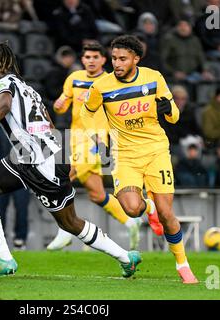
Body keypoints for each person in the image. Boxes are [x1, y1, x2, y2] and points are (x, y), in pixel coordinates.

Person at [0, 42, 141, 279]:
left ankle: (125, 256)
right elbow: (49, 121)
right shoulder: (27, 87)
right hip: (36, 154)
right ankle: (3, 258)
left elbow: (3, 105)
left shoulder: (2, 83)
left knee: (70, 223)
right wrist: (62, 156)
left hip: (38, 160)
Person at [81, 35, 198, 283]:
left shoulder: (153, 77)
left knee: (168, 216)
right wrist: (97, 139)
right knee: (132, 209)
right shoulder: (101, 86)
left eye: (122, 59)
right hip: (124, 156)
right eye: (113, 58)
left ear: (136, 58)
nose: (117, 63)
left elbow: (174, 115)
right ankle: (150, 207)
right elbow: (87, 114)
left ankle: (182, 264)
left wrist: (169, 110)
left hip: (156, 150)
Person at [47, 41, 142, 252]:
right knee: (96, 194)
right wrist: (58, 105)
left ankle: (65, 229)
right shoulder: (74, 78)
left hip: (96, 140)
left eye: (95, 57)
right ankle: (130, 222)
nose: (91, 61)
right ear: (82, 60)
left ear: (103, 60)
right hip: (73, 138)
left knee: (61, 177)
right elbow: (60, 106)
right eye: (87, 57)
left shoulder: (110, 82)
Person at [0, 124, 30, 250]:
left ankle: (20, 239)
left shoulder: (24, 121)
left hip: (22, 172)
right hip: (2, 172)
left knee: (21, 207)